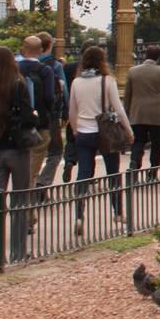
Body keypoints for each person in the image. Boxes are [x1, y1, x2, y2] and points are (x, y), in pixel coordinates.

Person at [0, 46, 42, 265]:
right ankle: (17, 252)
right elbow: (28, 117)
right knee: (20, 201)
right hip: (16, 149)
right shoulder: (18, 85)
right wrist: (34, 117)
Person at [66, 45, 133, 235]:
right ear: (102, 61)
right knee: (113, 173)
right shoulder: (107, 81)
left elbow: (72, 111)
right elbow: (118, 110)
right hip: (105, 133)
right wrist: (128, 131)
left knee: (84, 175)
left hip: (84, 133)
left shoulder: (77, 83)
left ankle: (79, 215)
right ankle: (118, 212)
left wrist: (76, 130)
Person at [125, 44, 160, 180]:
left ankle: (134, 165)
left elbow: (128, 94)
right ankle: (153, 172)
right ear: (159, 57)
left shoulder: (132, 71)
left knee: (138, 141)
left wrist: (128, 112)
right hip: (157, 114)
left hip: (138, 112)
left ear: (146, 54)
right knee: (156, 144)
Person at [14, 37, 54, 195]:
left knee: (20, 163)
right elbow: (50, 97)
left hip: (17, 124)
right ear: (40, 50)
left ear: (23, 49)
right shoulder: (45, 70)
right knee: (34, 165)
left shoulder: (15, 68)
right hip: (40, 124)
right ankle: (27, 204)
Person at [33, 33, 67, 187]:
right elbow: (64, 91)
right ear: (50, 46)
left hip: (30, 114)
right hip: (50, 115)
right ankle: (43, 181)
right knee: (55, 152)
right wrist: (65, 113)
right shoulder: (55, 65)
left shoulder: (25, 65)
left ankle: (30, 183)